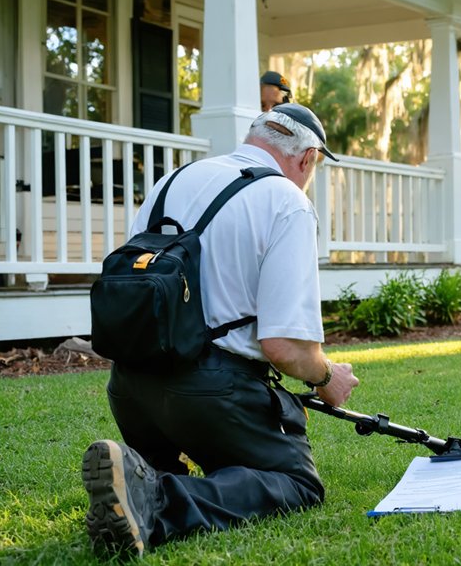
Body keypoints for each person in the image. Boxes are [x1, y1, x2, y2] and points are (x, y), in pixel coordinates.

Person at [81, 103, 358, 558]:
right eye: (316, 167)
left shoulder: (171, 182)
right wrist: (327, 379)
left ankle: (144, 473)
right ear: (307, 158)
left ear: (254, 138)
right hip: (209, 395)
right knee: (296, 482)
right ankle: (157, 501)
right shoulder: (287, 202)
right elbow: (284, 346)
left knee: (191, 454)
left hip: (130, 386)